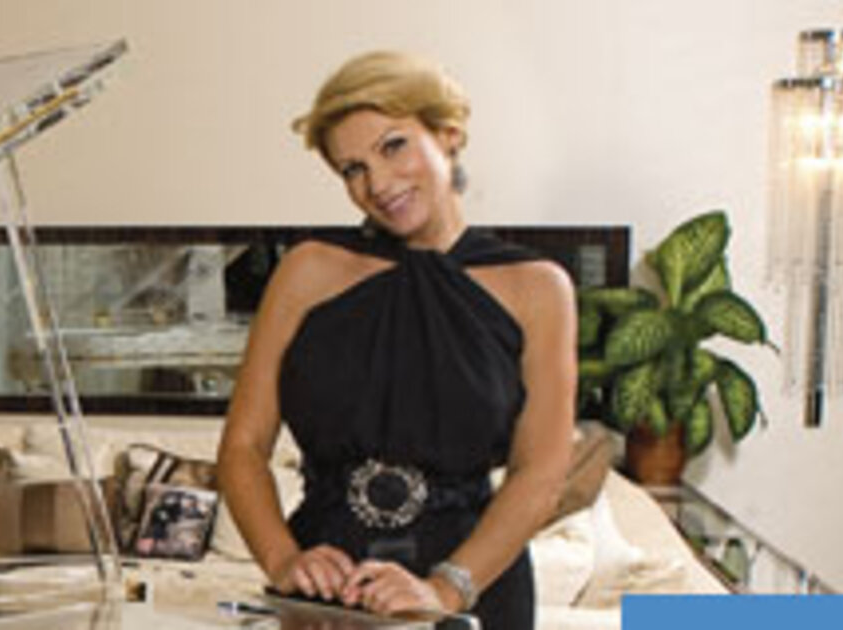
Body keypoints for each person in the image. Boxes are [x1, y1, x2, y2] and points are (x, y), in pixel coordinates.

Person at [217, 50, 576, 629]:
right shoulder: (308, 270)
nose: (378, 184)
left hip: (474, 588)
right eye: (352, 169)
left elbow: (541, 474)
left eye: (393, 147)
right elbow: (242, 446)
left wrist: (445, 589)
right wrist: (283, 559)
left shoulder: (537, 287)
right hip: (328, 590)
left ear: (448, 135)